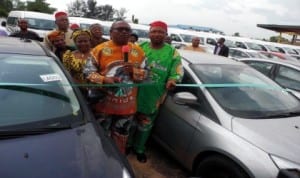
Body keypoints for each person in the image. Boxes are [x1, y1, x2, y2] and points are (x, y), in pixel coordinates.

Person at [84, 20, 146, 154]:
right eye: (120, 29)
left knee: (121, 137)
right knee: (101, 137)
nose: (124, 32)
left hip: (127, 107)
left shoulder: (138, 51)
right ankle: (101, 159)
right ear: (111, 32)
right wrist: (104, 79)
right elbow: (88, 72)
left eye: (127, 30)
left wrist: (134, 72)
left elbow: (147, 75)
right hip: (102, 105)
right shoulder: (99, 49)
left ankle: (117, 162)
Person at [130, 20, 184, 163]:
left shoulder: (172, 52)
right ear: (149, 33)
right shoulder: (139, 47)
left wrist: (174, 79)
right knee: (129, 122)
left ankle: (139, 149)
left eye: (160, 32)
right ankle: (127, 145)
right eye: (154, 31)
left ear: (166, 34)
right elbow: (127, 63)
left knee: (145, 124)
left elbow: (177, 71)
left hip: (153, 96)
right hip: (133, 92)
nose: (157, 34)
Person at [62, 29, 93, 97]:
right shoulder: (68, 55)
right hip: (76, 90)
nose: (83, 43)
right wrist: (82, 86)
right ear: (75, 42)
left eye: (85, 41)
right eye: (79, 41)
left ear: (90, 41)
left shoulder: (97, 53)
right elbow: (67, 74)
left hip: (96, 90)